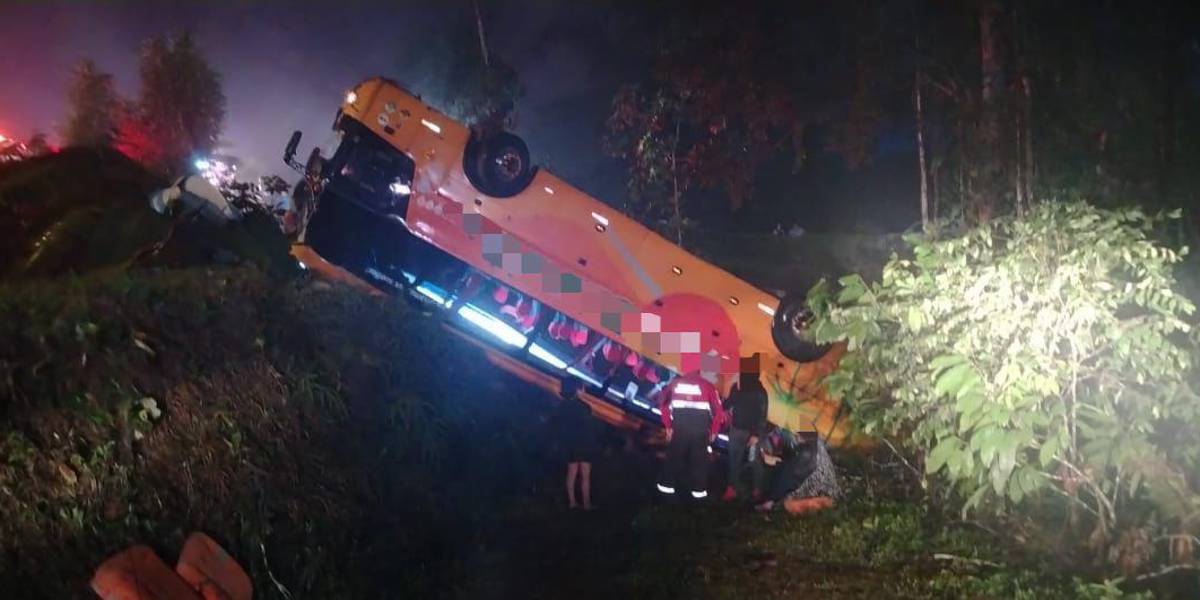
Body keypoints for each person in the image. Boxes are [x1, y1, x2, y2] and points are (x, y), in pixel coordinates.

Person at [654, 368, 726, 502]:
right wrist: (714, 431)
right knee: (699, 462)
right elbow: (719, 412)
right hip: (700, 431)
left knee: (673, 459)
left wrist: (669, 426)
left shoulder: (674, 384)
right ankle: (698, 494)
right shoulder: (708, 386)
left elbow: (663, 406)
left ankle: (666, 489)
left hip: (679, 428)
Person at [754, 426, 841, 514]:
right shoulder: (812, 446)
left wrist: (771, 502)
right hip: (809, 473)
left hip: (804, 483)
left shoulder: (798, 467)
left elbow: (786, 480)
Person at [722, 354, 769, 502]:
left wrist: (728, 387)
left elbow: (726, 405)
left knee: (739, 461)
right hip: (748, 432)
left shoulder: (742, 388)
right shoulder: (760, 391)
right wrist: (756, 435)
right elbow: (762, 415)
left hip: (742, 431)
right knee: (751, 461)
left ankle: (739, 489)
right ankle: (748, 490)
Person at [554, 377, 598, 510]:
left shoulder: (562, 406)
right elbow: (589, 427)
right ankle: (586, 504)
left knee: (571, 473)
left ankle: (572, 503)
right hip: (584, 443)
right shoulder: (585, 407)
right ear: (577, 390)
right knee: (585, 475)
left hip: (570, 443)